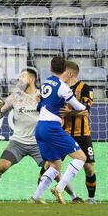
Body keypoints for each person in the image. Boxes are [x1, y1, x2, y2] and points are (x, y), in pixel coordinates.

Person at [0, 68, 81, 203]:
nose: (20, 79)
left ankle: (74, 196)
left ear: (31, 79)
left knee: (54, 169)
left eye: (23, 76)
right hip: (18, 142)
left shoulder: (43, 95)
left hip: (39, 143)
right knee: (1, 167)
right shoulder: (15, 96)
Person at [32, 56, 87, 204]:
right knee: (81, 158)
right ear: (64, 69)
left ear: (51, 68)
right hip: (51, 128)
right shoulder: (63, 87)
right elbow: (78, 106)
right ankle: (59, 188)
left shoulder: (46, 83)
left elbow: (40, 103)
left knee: (55, 165)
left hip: (40, 127)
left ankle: (36, 197)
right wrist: (83, 107)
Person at [60, 61, 97, 204]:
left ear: (69, 73)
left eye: (63, 72)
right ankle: (38, 196)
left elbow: (85, 111)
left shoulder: (86, 89)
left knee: (88, 168)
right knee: (50, 164)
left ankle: (92, 198)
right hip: (63, 133)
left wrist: (70, 113)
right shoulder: (61, 88)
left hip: (83, 134)